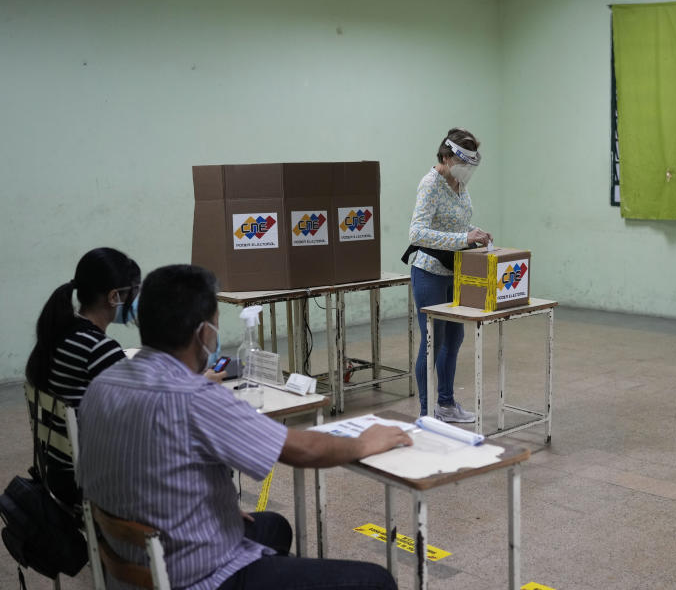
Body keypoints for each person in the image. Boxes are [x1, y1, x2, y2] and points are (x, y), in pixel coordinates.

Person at [77, 264, 409, 590]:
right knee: (375, 581)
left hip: (131, 560)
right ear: (202, 332)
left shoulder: (104, 383)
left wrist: (213, 506)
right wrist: (362, 444)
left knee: (273, 527)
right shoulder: (195, 398)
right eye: (216, 325)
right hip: (194, 576)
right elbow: (302, 450)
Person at [25, 247, 141, 507]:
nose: (136, 299)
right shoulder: (98, 347)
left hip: (58, 472)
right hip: (88, 481)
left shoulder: (63, 332)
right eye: (134, 291)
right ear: (114, 297)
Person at [405, 128, 493, 422]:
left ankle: (446, 403)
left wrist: (474, 234)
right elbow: (417, 232)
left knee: (454, 337)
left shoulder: (460, 184)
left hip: (455, 269)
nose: (465, 170)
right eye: (461, 162)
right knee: (432, 340)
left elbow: (455, 224)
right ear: (445, 156)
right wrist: (464, 239)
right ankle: (427, 412)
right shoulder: (430, 184)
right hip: (429, 270)